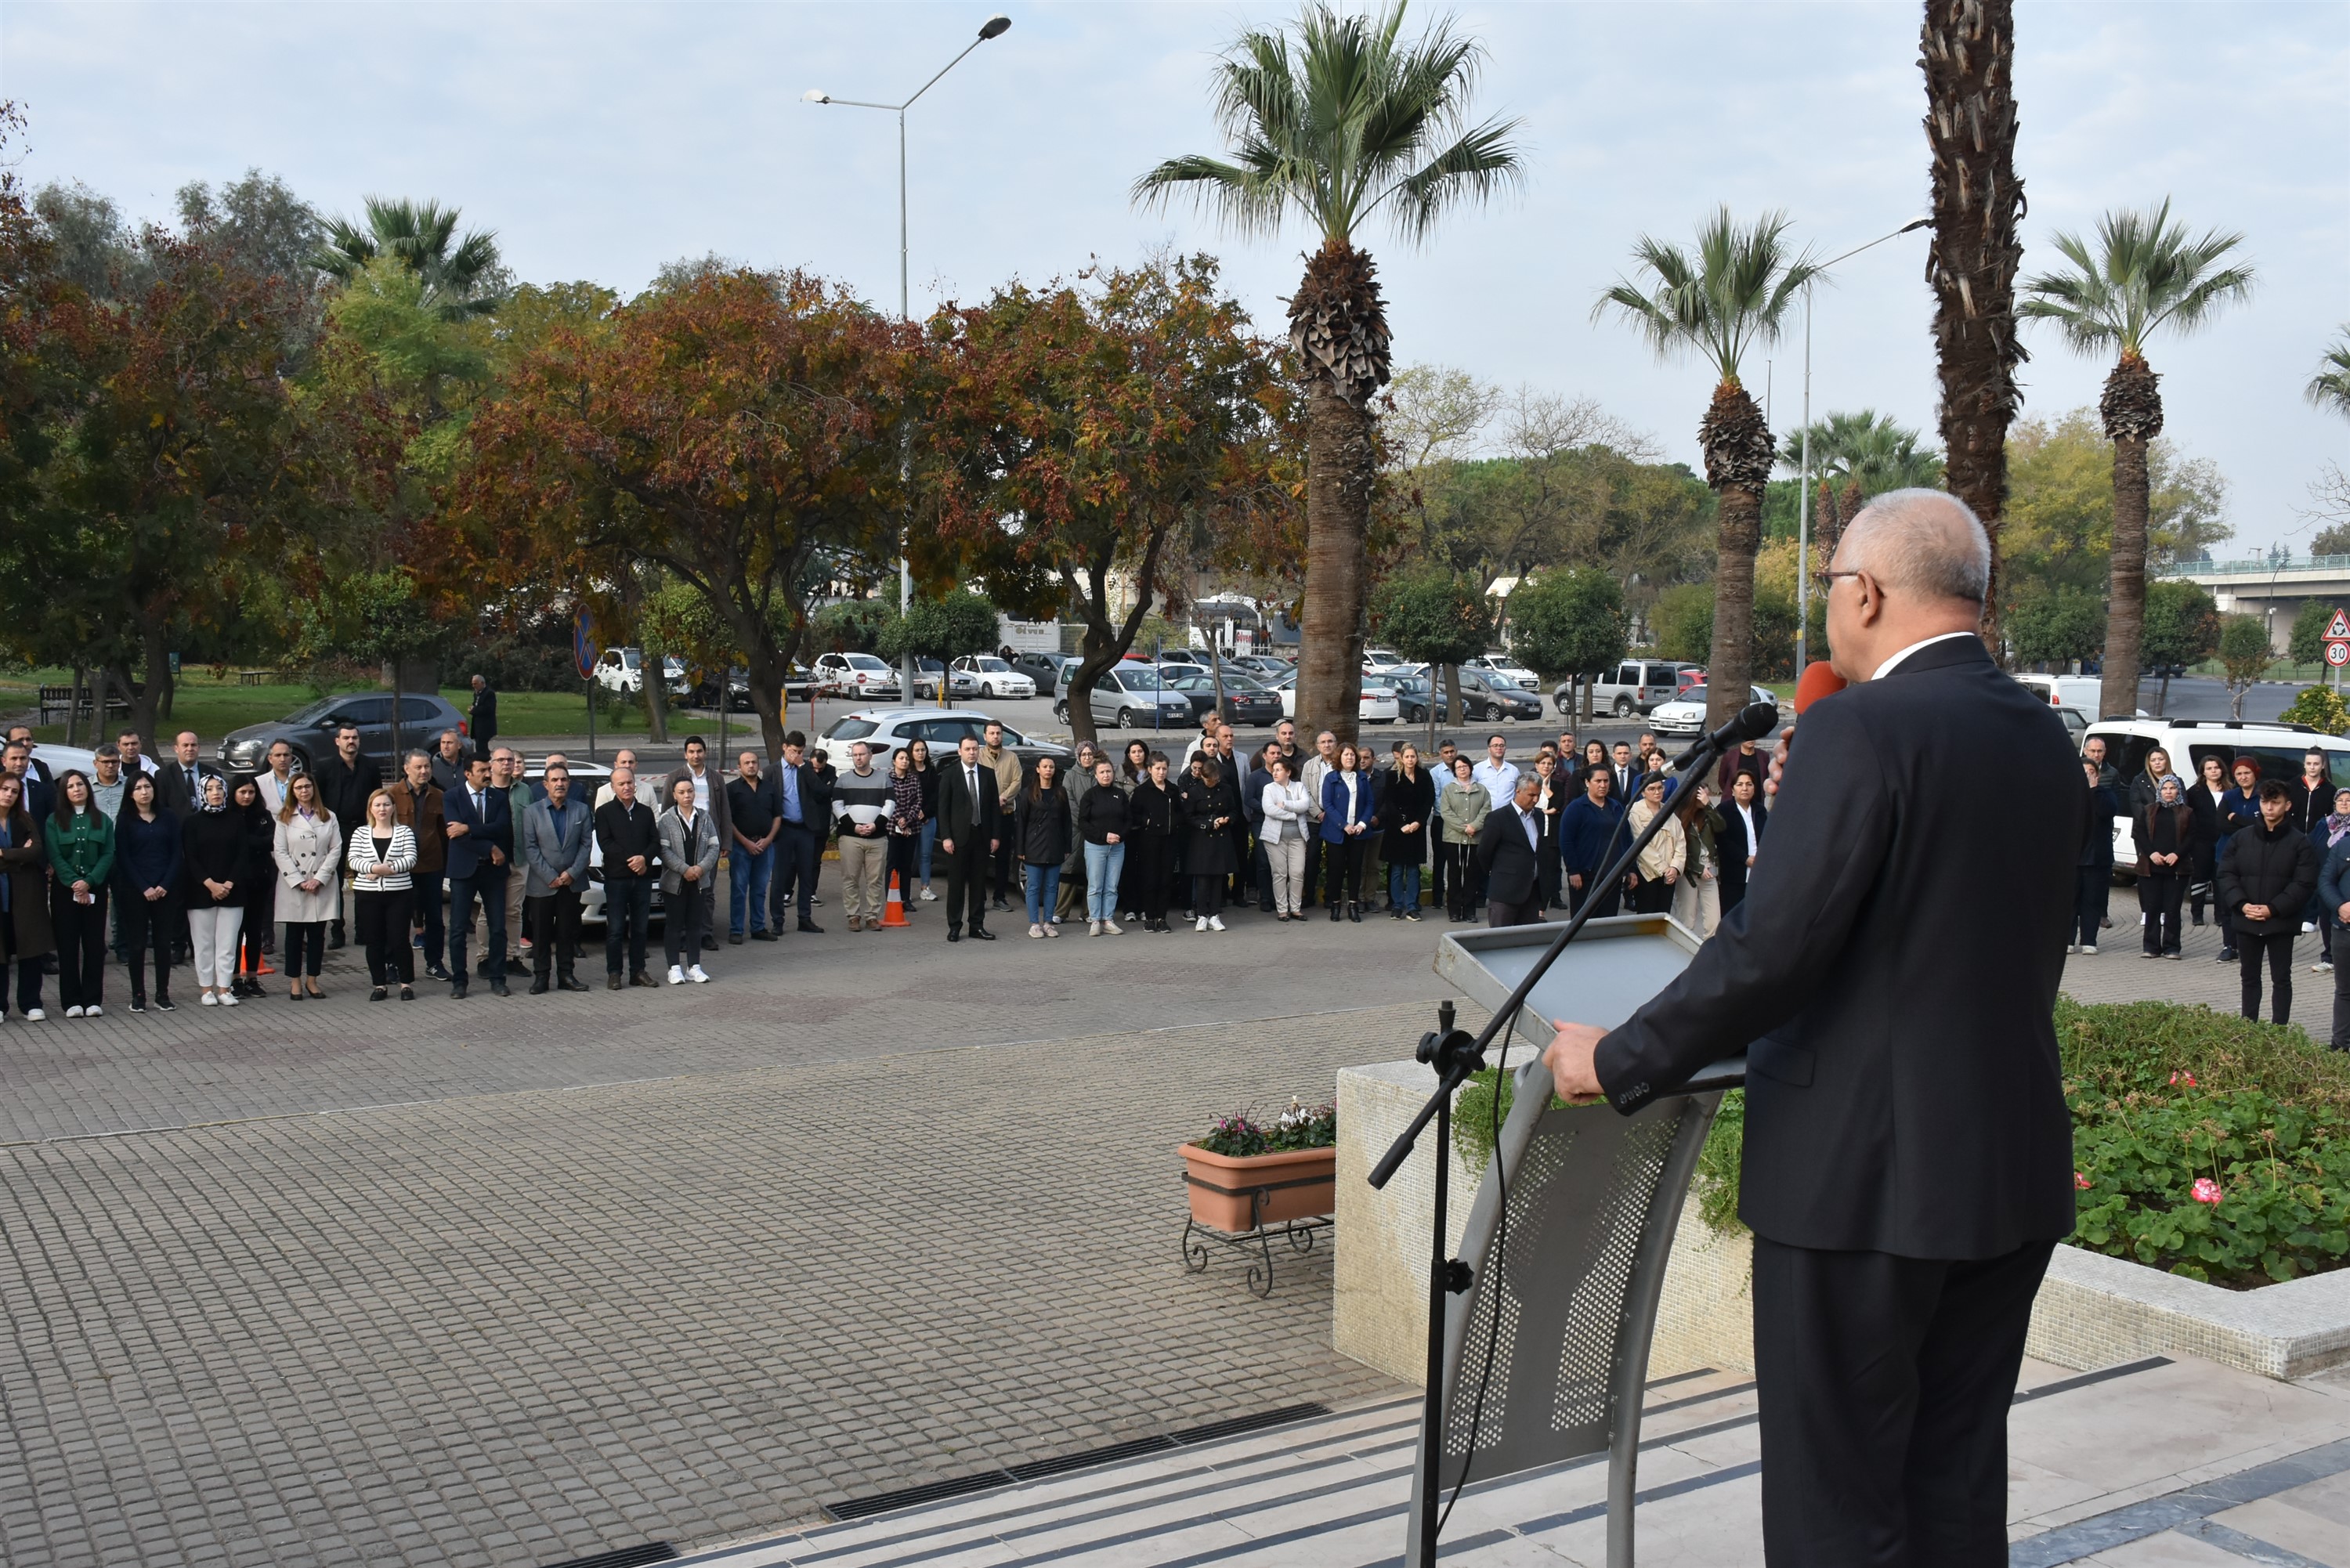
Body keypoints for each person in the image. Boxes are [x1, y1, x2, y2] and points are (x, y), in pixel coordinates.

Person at [1543, 489, 2080, 1567]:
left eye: (1833, 584)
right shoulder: (2042, 732)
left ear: (1868, 592)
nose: (1831, 607)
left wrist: (1615, 1056)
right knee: (1957, 1485)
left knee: (1838, 1504)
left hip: (1861, 1183)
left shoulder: (1861, 727)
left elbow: (1770, 949)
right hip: (2006, 1166)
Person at [2220, 778, 2319, 1025]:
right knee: (2249, 977)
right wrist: (2242, 904)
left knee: (2281, 978)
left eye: (2275, 803)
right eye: (2265, 802)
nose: (2269, 808)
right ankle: (2248, 1028)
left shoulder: (2299, 842)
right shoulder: (2241, 838)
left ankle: (2278, 1031)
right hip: (2247, 918)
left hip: (2280, 922)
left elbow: (2304, 883)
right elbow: (2226, 873)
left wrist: (2273, 909)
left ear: (2287, 805)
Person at [43, 770, 114, 1017]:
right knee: (68, 945)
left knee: (94, 945)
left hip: (95, 889)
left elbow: (107, 854)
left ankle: (93, 999)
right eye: (71, 786)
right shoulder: (54, 821)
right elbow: (55, 855)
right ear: (64, 791)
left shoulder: (102, 820)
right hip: (65, 892)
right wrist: (75, 883)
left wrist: (90, 881)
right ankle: (71, 1000)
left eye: (80, 784)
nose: (76, 789)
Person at [519, 762, 593, 994]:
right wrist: (550, 876)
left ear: (569, 783)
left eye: (563, 780)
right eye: (555, 780)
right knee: (541, 934)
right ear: (545, 784)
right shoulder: (532, 812)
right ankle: (541, 977)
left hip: (572, 883)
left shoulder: (581, 810)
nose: (560, 784)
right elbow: (530, 848)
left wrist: (571, 873)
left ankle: (566, 975)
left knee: (566, 932)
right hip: (543, 883)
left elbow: (586, 845)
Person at [443, 753, 512, 999]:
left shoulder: (499, 797)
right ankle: (460, 981)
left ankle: (497, 978)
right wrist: (490, 847)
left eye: (488, 770)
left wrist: (470, 828)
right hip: (464, 870)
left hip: (493, 871)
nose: (487, 775)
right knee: (459, 929)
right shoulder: (453, 797)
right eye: (482, 770)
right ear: (468, 773)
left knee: (498, 927)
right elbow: (455, 834)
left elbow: (501, 827)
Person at [179, 775, 250, 1007]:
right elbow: (191, 857)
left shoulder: (237, 820)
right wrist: (210, 884)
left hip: (233, 891)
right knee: (204, 944)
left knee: (228, 943)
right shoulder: (192, 823)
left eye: (219, 787)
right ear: (202, 793)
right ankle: (206, 989)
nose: (215, 792)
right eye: (209, 789)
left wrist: (228, 884)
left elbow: (242, 855)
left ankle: (224, 988)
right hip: (200, 892)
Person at [311, 723, 382, 952]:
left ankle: (364, 930)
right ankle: (337, 930)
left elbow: (377, 797)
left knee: (366, 881)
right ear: (337, 741)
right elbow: (318, 801)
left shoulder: (370, 766)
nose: (351, 742)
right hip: (335, 829)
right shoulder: (325, 768)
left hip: (364, 829)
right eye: (346, 738)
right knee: (335, 882)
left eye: (354, 738)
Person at [271, 772, 341, 1000]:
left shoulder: (329, 816)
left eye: (307, 786)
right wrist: (299, 880)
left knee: (317, 935)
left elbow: (336, 849)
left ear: (314, 789)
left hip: (321, 883)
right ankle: (295, 982)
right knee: (293, 936)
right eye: (299, 787)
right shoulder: (284, 818)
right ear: (293, 791)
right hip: (295, 884)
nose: (304, 791)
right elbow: (279, 852)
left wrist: (319, 879)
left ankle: (313, 979)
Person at [115, 773, 179, 1013]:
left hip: (165, 889)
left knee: (163, 943)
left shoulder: (169, 817)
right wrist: (144, 887)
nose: (144, 792)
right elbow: (123, 857)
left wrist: (165, 884)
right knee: (137, 945)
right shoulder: (125, 820)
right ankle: (138, 995)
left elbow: (176, 853)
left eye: (148, 787)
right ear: (131, 793)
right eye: (139, 788)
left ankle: (162, 993)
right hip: (136, 890)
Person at [347, 789, 418, 1002]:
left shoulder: (404, 831)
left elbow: (411, 858)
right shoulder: (361, 832)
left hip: (399, 893)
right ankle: (380, 985)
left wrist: (390, 869)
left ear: (393, 807)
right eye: (377, 805)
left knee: (399, 940)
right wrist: (375, 867)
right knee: (374, 941)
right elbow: (353, 860)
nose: (382, 809)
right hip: (368, 895)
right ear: (370, 808)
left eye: (386, 805)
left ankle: (406, 984)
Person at [665, 737, 733, 952]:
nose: (696, 755)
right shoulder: (675, 777)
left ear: (705, 752)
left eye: (699, 751)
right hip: (681, 841)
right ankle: (685, 936)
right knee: (682, 890)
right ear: (685, 754)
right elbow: (666, 810)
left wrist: (725, 841)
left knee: (707, 891)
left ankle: (706, 933)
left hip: (708, 841)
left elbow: (724, 811)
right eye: (691, 751)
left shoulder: (715, 778)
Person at [388, 750, 450, 982]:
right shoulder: (392, 795)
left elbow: (444, 832)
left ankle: (434, 963)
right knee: (398, 918)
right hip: (400, 868)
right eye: (418, 767)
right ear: (406, 769)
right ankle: (393, 963)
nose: (424, 771)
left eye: (427, 767)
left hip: (431, 866)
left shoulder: (438, 796)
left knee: (435, 918)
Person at [594, 769, 659, 988]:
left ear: (636, 784)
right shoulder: (604, 812)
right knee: (615, 929)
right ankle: (614, 973)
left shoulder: (646, 812)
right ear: (613, 787)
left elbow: (655, 842)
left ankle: (638, 971)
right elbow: (606, 843)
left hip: (642, 879)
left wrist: (644, 859)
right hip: (617, 879)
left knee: (640, 928)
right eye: (621, 784)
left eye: (630, 782)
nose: (626, 787)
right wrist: (632, 861)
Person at [936, 735, 1001, 942]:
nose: (972, 752)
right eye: (968, 749)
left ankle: (977, 925)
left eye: (975, 749)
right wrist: (946, 837)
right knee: (956, 885)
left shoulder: (988, 775)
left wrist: (995, 836)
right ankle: (955, 926)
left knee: (978, 883)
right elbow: (943, 809)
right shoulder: (949, 775)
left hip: (981, 836)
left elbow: (993, 809)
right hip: (958, 838)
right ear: (960, 751)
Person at [0, 774, 55, 1021]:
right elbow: (25, 853)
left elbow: (35, 850)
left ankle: (31, 1003)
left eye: (13, 791)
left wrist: (5, 855)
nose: (8, 794)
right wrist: (18, 856)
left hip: (26, 894)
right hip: (2, 894)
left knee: (29, 947)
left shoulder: (25, 818)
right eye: (4, 789)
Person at [656, 773, 718, 982]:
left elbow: (714, 846)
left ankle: (694, 966)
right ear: (674, 795)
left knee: (695, 924)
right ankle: (674, 967)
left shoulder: (704, 817)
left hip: (699, 880)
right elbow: (664, 852)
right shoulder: (666, 819)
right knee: (674, 924)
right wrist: (684, 869)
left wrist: (701, 868)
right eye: (682, 792)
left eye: (690, 791)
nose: (687, 796)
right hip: (675, 882)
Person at [769, 732, 829, 935]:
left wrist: (803, 766)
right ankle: (777, 921)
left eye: (800, 752)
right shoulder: (772, 771)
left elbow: (821, 792)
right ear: (785, 747)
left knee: (806, 875)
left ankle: (805, 918)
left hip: (805, 829)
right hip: (783, 830)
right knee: (779, 877)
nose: (796, 755)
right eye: (794, 751)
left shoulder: (805, 770)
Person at [830, 741, 893, 931]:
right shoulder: (843, 779)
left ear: (870, 756)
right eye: (855, 755)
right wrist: (854, 827)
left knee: (875, 879)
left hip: (878, 838)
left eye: (862, 754)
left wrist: (876, 825)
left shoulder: (884, 778)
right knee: (850, 878)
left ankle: (872, 916)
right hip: (851, 837)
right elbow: (837, 805)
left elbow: (890, 804)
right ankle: (853, 916)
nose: (858, 758)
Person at [2134, 774, 2194, 960]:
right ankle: (2151, 946)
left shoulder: (2187, 812)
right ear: (2160, 790)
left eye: (2172, 788)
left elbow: (2192, 836)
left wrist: (2177, 853)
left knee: (2172, 909)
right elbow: (2139, 833)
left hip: (2176, 868)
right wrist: (2151, 853)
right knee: (2152, 908)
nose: (2169, 792)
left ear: (2178, 790)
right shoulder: (2149, 810)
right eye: (2165, 788)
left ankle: (2172, 947)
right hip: (2151, 868)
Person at [1476, 773, 1548, 928]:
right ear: (1518, 792)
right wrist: (1500, 873)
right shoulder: (1498, 818)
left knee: (1526, 943)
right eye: (1531, 795)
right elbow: (1484, 853)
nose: (1535, 800)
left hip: (1531, 892)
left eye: (1538, 795)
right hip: (1505, 892)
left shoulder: (1540, 817)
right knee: (1501, 942)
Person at [725, 750, 780, 943]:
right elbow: (728, 820)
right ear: (739, 767)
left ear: (759, 765)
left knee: (760, 889)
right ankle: (736, 930)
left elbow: (777, 816)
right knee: (739, 889)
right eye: (746, 763)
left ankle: (758, 927)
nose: (751, 765)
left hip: (765, 846)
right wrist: (745, 842)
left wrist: (768, 840)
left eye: (754, 762)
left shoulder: (770, 788)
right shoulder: (731, 790)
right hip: (741, 847)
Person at [490, 746, 537, 975]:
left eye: (510, 760)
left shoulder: (524, 790)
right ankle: (485, 957)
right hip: (490, 861)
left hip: (518, 858)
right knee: (487, 912)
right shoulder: (484, 790)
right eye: (501, 760)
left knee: (514, 911)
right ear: (492, 764)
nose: (507, 764)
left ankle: (512, 957)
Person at [1013, 756, 1070, 938]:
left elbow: (1066, 822)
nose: (1048, 770)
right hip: (1033, 846)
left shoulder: (1060, 792)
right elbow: (1021, 822)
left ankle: (1048, 923)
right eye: (1045, 766)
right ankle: (1034, 923)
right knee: (1033, 886)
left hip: (1055, 845)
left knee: (1052, 887)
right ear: (1038, 769)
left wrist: (1067, 846)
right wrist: (1020, 849)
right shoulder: (1028, 793)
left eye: (1051, 767)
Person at [1178, 755, 1236, 931]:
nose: (1212, 783)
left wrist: (1227, 819)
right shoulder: (1195, 792)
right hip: (1202, 838)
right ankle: (1202, 915)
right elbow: (1188, 817)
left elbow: (1234, 811)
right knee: (1202, 878)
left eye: (1215, 780)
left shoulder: (1226, 789)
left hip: (1220, 837)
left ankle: (1214, 915)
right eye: (1209, 780)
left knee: (1218, 878)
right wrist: (1207, 824)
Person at [229, 777, 275, 999]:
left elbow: (271, 842)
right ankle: (235, 978)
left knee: (255, 931)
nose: (247, 796)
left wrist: (246, 842)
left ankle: (252, 978)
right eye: (242, 792)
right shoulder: (228, 816)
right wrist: (252, 842)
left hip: (260, 880)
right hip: (235, 883)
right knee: (235, 933)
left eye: (251, 792)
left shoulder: (263, 816)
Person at [1379, 742, 1435, 921]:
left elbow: (1429, 801)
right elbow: (1389, 802)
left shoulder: (1424, 776)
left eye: (1413, 756)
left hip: (1416, 829)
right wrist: (1401, 823)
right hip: (1397, 829)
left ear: (1417, 758)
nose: (1410, 760)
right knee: (1396, 869)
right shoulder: (1392, 776)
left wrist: (1418, 822)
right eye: (1407, 757)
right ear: (1401, 758)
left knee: (1413, 869)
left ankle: (1411, 906)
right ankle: (1397, 905)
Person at [1126, 753, 1178, 932]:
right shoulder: (1142, 791)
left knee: (1165, 880)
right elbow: (1133, 814)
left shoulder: (1172, 790)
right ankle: (1149, 917)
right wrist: (1147, 822)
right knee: (1150, 879)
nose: (1161, 772)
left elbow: (1180, 812)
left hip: (1169, 840)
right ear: (1150, 770)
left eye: (1164, 769)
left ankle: (1162, 917)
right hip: (1149, 841)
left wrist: (1175, 824)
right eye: (1157, 769)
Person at [1257, 754, 1311, 920]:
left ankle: (1295, 908)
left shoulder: (1299, 787)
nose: (1275, 773)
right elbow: (1269, 810)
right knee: (1279, 873)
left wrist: (1286, 805)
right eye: (1274, 770)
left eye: (1279, 770)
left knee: (1297, 872)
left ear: (1288, 772)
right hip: (1275, 838)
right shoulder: (1269, 788)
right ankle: (1282, 910)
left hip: (1298, 838)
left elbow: (1305, 805)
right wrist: (1293, 816)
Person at [1080, 757, 1130, 934]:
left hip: (1117, 847)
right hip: (1096, 847)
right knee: (1095, 885)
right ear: (1096, 774)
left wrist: (1119, 836)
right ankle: (1095, 920)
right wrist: (1103, 836)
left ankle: (1108, 919)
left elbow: (1128, 820)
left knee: (1112, 885)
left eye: (1108, 771)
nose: (1106, 775)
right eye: (1102, 772)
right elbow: (1083, 822)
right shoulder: (1090, 795)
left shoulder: (1121, 794)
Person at [1437, 756, 1490, 922]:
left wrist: (1474, 826)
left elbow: (1486, 810)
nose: (1462, 769)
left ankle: (1470, 911)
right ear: (1454, 770)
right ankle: (1454, 911)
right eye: (1459, 767)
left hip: (1475, 838)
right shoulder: (1448, 790)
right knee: (1454, 875)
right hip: (1453, 839)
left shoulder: (1481, 790)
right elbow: (1446, 813)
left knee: (1471, 875)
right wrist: (1464, 828)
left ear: (1470, 768)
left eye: (1465, 766)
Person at [1624, 774, 1684, 915]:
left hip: (1669, 874)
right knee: (1646, 915)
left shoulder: (1668, 810)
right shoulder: (1635, 811)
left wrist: (1675, 867)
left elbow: (1681, 841)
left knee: (1664, 915)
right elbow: (1641, 845)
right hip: (1647, 873)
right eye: (1652, 789)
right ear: (1643, 792)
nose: (1657, 792)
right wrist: (1664, 869)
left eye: (1660, 788)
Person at [980, 721, 1023, 912]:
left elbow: (1017, 780)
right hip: (982, 815)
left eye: (998, 733)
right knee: (980, 855)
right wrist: (990, 800)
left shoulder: (1012, 757)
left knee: (1003, 857)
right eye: (992, 733)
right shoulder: (978, 756)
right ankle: (979, 897)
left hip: (1005, 813)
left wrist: (1003, 797)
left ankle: (1000, 896)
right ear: (985, 736)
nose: (995, 736)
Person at [2186, 753, 2229, 934]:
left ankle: (2220, 915)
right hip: (2201, 840)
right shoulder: (2195, 792)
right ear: (2203, 771)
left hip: (2223, 840)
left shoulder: (2230, 790)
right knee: (2200, 877)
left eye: (2216, 767)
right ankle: (2197, 913)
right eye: (2209, 768)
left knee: (2220, 878)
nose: (2213, 771)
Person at [1718, 768, 1768, 914]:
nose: (1745, 788)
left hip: (1759, 871)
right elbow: (1723, 841)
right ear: (1733, 789)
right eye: (1740, 784)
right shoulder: (1724, 810)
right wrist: (1745, 858)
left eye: (1749, 784)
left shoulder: (1760, 810)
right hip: (1734, 874)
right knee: (1733, 914)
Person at [1300, 730, 1339, 910]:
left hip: (1336, 820)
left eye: (1330, 741)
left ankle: (1331, 897)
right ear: (1317, 746)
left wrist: (1331, 814)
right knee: (1312, 858)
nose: (1327, 745)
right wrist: (1317, 813)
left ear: (1335, 744)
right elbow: (1305, 792)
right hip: (1314, 819)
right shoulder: (1309, 765)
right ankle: (1309, 895)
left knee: (1334, 860)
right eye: (1323, 742)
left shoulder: (1342, 764)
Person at [2314, 786, 2350, 975]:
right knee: (2325, 918)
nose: (2344, 804)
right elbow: (2311, 846)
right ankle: (2328, 955)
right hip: (2325, 877)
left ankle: (2340, 957)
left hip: (2344, 883)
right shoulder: (2324, 824)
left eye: (2349, 800)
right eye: (2340, 800)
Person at [909, 737, 942, 901]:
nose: (920, 753)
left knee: (925, 855)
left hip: (928, 819)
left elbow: (936, 795)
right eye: (917, 750)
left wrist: (926, 813)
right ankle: (904, 891)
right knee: (909, 855)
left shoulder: (931, 770)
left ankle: (925, 888)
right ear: (911, 752)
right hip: (910, 820)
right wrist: (914, 813)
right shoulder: (907, 771)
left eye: (923, 750)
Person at [1470, 733, 1518, 811]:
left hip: (1508, 815)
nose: (1499, 748)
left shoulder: (1513, 770)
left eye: (1502, 745)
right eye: (1495, 745)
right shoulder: (1477, 769)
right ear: (1489, 749)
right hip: (1485, 815)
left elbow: (1517, 794)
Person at [428, 729, 469, 795]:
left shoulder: (468, 766)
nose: (445, 747)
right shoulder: (433, 767)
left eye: (450, 743)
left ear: (459, 745)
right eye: (443, 742)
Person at [468, 674, 497, 755]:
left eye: (475, 684)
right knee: (479, 746)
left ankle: (484, 761)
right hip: (477, 725)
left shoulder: (489, 693)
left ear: (482, 683)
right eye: (473, 684)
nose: (474, 686)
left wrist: (474, 710)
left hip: (485, 726)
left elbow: (488, 709)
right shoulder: (477, 693)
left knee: (482, 746)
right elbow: (476, 704)